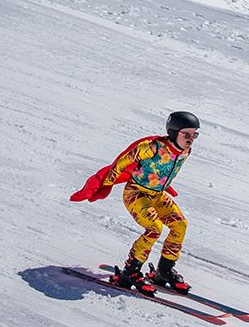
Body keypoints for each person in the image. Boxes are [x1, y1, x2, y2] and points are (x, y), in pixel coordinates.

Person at [69, 111, 201, 293]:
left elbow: (162, 169)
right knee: (154, 228)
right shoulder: (153, 147)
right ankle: (130, 272)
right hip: (136, 193)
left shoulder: (185, 151)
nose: (191, 138)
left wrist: (162, 183)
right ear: (173, 132)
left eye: (195, 134)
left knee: (180, 225)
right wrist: (106, 182)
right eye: (187, 134)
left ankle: (164, 272)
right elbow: (124, 160)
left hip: (157, 194)